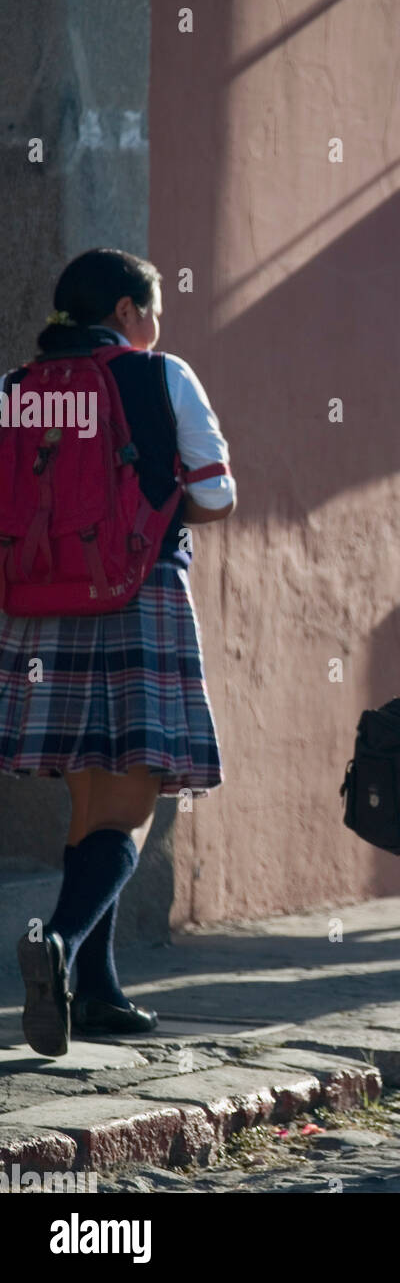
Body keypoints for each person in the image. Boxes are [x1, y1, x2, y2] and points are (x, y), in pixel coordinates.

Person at [0, 248, 236, 1055]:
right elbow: (215, 493)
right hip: (138, 597)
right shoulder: (160, 375)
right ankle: (60, 944)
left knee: (89, 799)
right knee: (133, 806)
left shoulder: (16, 388)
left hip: (40, 610)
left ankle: (95, 996)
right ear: (132, 312)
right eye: (156, 308)